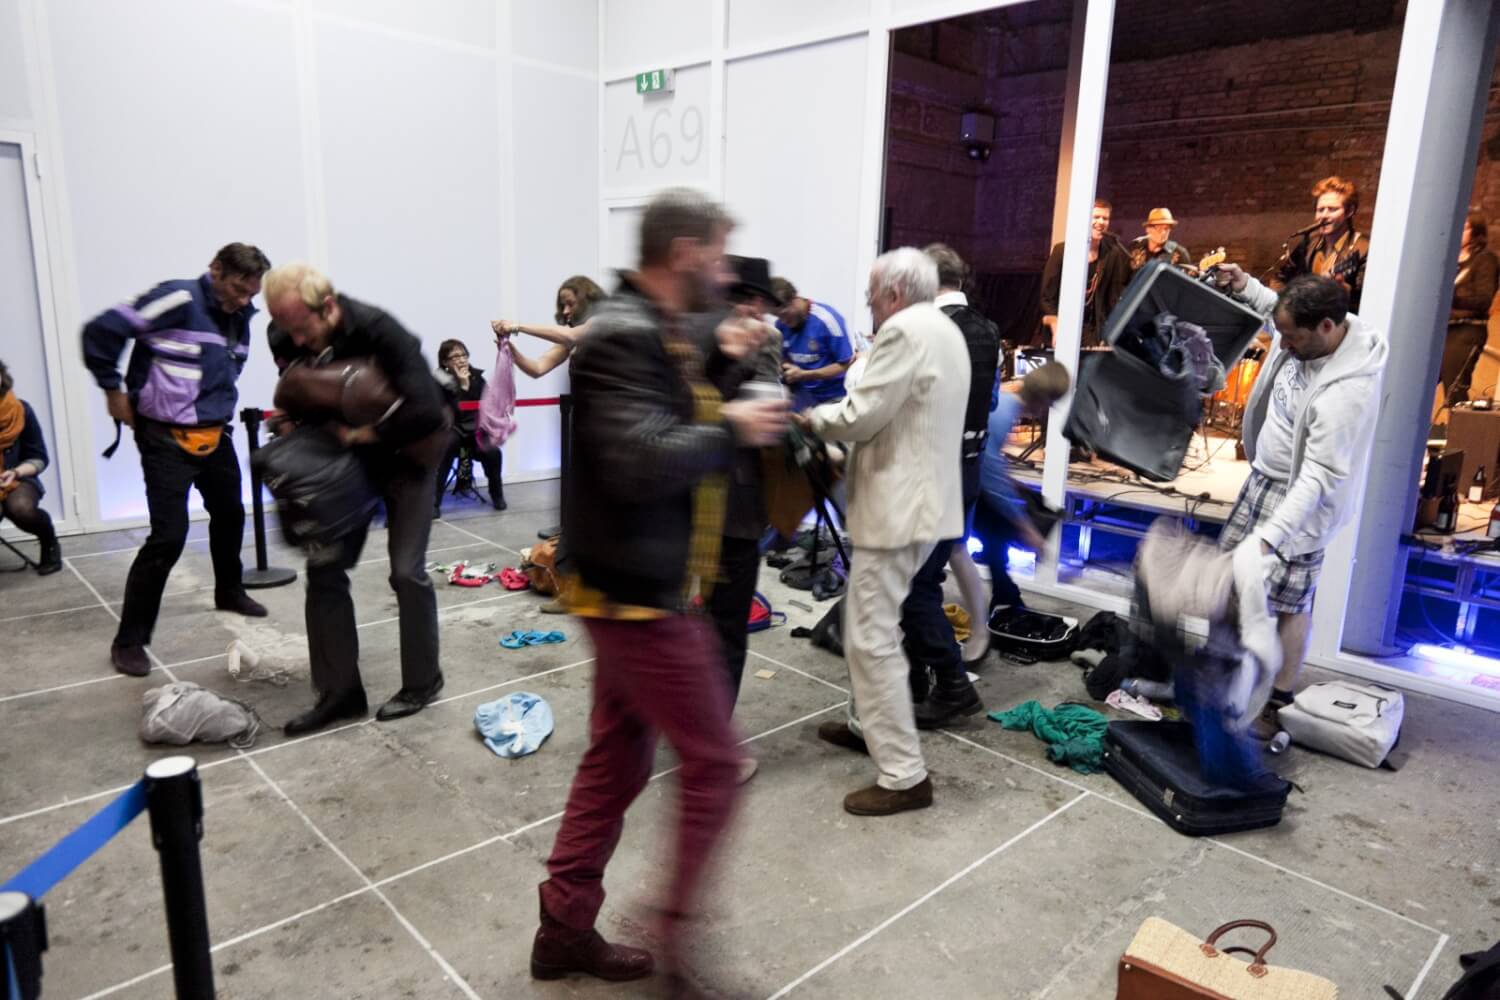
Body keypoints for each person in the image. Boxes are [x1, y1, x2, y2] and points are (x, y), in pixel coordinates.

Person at [531, 188, 788, 989]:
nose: (723, 269)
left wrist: (726, 362)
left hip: (641, 584)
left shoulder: (654, 328)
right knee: (713, 765)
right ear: (683, 253)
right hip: (635, 595)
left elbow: (662, 413)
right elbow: (639, 459)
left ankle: (564, 928)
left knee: (616, 759)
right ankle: (676, 946)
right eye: (715, 253)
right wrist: (734, 427)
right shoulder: (619, 333)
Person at [797, 247, 970, 817]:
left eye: (872, 295)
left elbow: (864, 414)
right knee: (873, 624)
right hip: (923, 507)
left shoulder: (902, 332)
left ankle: (903, 775)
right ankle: (863, 725)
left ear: (893, 293)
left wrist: (811, 418)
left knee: (869, 635)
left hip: (899, 511)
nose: (869, 306)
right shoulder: (945, 331)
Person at [263, 263, 450, 736]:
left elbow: (427, 410)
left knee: (406, 572)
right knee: (323, 569)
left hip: (409, 454)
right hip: (351, 461)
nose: (296, 340)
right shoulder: (285, 334)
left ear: (327, 307)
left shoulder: (381, 330)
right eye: (287, 330)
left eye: (302, 329)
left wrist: (367, 431)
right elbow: (299, 389)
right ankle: (340, 693)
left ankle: (423, 682)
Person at [1213, 264, 1388, 738]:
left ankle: (1278, 698)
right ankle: (1223, 676)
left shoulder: (1347, 389)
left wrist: (1271, 538)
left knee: (1292, 601)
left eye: (1291, 339)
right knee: (1229, 581)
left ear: (1327, 328)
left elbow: (1319, 476)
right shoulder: (1307, 328)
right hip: (1261, 481)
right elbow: (1277, 311)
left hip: (1301, 499)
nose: (1282, 345)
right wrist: (1243, 283)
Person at [81, 243, 272, 677]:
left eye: (251, 294)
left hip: (214, 434)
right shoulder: (177, 298)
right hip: (164, 438)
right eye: (238, 289)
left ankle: (230, 590)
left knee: (230, 514)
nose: (244, 300)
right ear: (215, 270)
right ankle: (129, 640)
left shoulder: (240, 316)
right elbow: (100, 330)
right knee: (168, 537)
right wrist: (113, 389)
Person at [906, 243, 999, 725]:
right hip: (967, 471)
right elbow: (993, 399)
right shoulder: (989, 330)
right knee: (926, 575)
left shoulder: (929, 332)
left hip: (931, 474)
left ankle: (950, 685)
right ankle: (917, 679)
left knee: (915, 585)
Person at [706, 254, 784, 785]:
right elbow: (767, 421)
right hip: (734, 504)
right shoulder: (761, 338)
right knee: (727, 629)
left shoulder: (688, 329)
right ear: (755, 300)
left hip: (683, 500)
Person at [494, 274, 606, 544]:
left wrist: (516, 326)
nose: (565, 311)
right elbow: (537, 368)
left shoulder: (602, 323)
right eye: (562, 306)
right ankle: (578, 532)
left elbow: (569, 335)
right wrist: (510, 350)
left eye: (570, 304)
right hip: (585, 417)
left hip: (609, 419)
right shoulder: (572, 342)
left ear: (588, 300)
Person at [971, 364, 1070, 615]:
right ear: (1042, 400)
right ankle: (1006, 598)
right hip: (959, 487)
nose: (1049, 411)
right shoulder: (1004, 412)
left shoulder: (1004, 404)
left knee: (997, 538)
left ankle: (1006, 597)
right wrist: (1027, 529)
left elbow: (990, 464)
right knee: (999, 528)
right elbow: (991, 480)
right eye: (1051, 403)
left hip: (966, 482)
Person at [1040, 199, 1132, 348]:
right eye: (1096, 217)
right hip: (1064, 326)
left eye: (1105, 218)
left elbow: (1112, 298)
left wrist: (1110, 332)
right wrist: (1056, 324)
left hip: (1093, 330)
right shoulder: (1062, 251)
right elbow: (1047, 297)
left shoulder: (1112, 253)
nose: (1101, 222)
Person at [0, 360, 61, 575]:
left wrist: (15, 472)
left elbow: (39, 457)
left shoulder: (21, 410)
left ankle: (49, 541)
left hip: (16, 476)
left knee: (21, 509)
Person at [433, 338, 506, 514]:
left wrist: (468, 385)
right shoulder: (438, 381)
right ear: (445, 362)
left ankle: (497, 494)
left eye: (464, 355)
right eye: (455, 356)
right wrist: (462, 387)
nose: (461, 359)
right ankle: (434, 503)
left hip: (476, 430)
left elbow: (489, 406)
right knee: (445, 447)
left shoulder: (478, 379)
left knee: (493, 452)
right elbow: (451, 412)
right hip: (453, 428)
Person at [1276, 175, 1369, 312]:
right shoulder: (1309, 245)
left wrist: (1345, 293)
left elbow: (1367, 300)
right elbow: (1280, 279)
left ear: (1350, 211)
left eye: (1332, 209)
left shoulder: (1363, 249)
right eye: (1320, 210)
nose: (1324, 216)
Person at [1440, 212, 1499, 405]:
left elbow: (1483, 300)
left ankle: (1459, 433)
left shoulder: (1484, 259)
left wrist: (1450, 299)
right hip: (1442, 330)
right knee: (1415, 382)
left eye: (1464, 227)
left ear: (1476, 233)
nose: (1458, 231)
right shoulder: (1449, 260)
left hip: (1466, 331)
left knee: (1454, 389)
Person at [770, 277, 853, 410]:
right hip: (803, 397)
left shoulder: (827, 320)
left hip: (835, 398)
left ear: (794, 299)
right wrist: (785, 368)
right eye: (778, 317)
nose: (783, 321)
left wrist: (805, 375)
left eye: (784, 314)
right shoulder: (781, 325)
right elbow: (784, 359)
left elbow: (846, 364)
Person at [1127, 207, 1193, 272]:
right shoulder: (1135, 248)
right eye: (1158, 228)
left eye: (1166, 228)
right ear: (1148, 229)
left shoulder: (1180, 253)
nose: (1163, 232)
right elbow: (1122, 279)